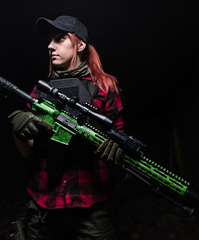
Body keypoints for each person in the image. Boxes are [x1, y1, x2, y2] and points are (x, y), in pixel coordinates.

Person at [9, 15, 124, 240]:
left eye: (60, 38)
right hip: (43, 203)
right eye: (50, 40)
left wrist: (117, 147)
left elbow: (120, 139)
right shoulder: (40, 91)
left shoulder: (105, 88)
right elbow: (26, 150)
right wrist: (17, 127)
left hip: (92, 207)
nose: (50, 46)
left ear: (80, 44)